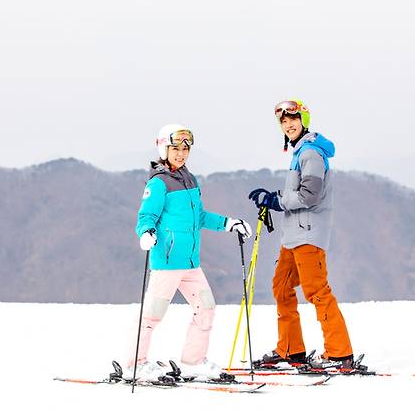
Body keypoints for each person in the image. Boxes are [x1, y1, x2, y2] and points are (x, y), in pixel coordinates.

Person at [126, 123, 252, 381]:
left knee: (206, 308)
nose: (181, 153)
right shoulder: (159, 183)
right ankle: (134, 365)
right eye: (175, 148)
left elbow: (200, 217)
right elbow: (146, 215)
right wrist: (146, 233)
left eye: (185, 148)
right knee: (152, 314)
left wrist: (228, 223)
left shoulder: (189, 179)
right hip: (167, 262)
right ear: (163, 148)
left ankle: (193, 361)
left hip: (191, 263)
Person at [248, 98, 354, 370]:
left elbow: (310, 195)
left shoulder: (310, 154)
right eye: (283, 121)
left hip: (308, 236)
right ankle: (290, 349)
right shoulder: (299, 154)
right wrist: (274, 198)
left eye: (292, 119)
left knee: (317, 292)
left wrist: (277, 201)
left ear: (303, 121)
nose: (288, 124)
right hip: (292, 237)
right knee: (281, 288)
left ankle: (339, 354)